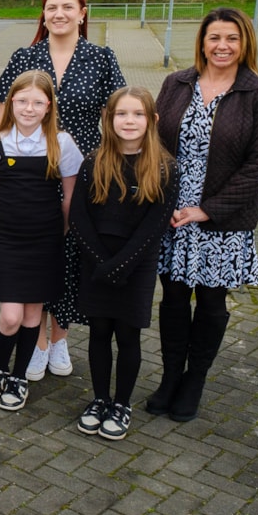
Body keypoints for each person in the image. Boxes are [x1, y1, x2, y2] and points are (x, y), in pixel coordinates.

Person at [0, 0, 126, 381]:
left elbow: (115, 118)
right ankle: (36, 343)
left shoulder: (101, 58)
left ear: (83, 13)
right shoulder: (25, 56)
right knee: (31, 261)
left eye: (67, 7)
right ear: (43, 15)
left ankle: (59, 337)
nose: (58, 14)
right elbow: (2, 120)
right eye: (51, 8)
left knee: (69, 257)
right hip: (26, 181)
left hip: (80, 178)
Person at [152, 7, 258, 422]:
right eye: (214, 38)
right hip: (172, 216)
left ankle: (195, 380)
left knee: (210, 302)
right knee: (172, 299)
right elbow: (153, 142)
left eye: (232, 39)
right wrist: (162, 200)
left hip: (221, 220)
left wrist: (206, 210)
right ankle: (170, 376)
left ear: (245, 44)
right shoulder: (176, 83)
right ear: (202, 43)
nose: (222, 46)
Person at [69, 87, 178, 441]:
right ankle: (100, 399)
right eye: (121, 114)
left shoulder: (165, 168)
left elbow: (155, 225)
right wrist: (102, 262)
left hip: (136, 266)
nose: (129, 121)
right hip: (97, 263)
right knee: (99, 333)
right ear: (109, 118)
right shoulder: (94, 161)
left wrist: (121, 265)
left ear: (152, 120)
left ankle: (121, 404)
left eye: (137, 114)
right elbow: (80, 217)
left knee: (128, 337)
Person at [0, 70, 81, 412]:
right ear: (11, 103)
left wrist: (57, 234)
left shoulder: (61, 144)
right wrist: (14, 227)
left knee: (33, 314)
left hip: (46, 242)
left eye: (38, 102)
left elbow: (69, 198)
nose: (29, 108)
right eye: (22, 101)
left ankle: (18, 378)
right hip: (10, 241)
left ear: (49, 106)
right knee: (10, 316)